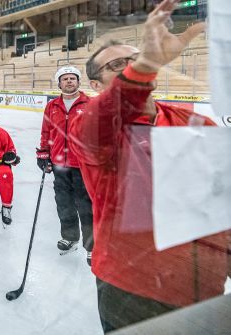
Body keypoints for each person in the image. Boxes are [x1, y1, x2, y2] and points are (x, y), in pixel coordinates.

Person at [69, 1, 229, 331]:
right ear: (96, 86)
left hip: (205, 282)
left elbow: (219, 192)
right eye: (118, 65)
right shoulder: (91, 124)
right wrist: (145, 63)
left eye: (134, 58)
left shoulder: (191, 119)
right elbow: (99, 122)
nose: (131, 66)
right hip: (133, 287)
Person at [38, 65, 94, 264]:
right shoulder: (52, 106)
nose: (69, 81)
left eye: (72, 78)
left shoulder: (90, 104)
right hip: (59, 165)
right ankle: (70, 238)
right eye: (65, 79)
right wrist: (43, 152)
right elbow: (46, 131)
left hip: (83, 166)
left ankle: (92, 247)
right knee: (64, 204)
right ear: (59, 83)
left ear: (79, 82)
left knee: (86, 206)